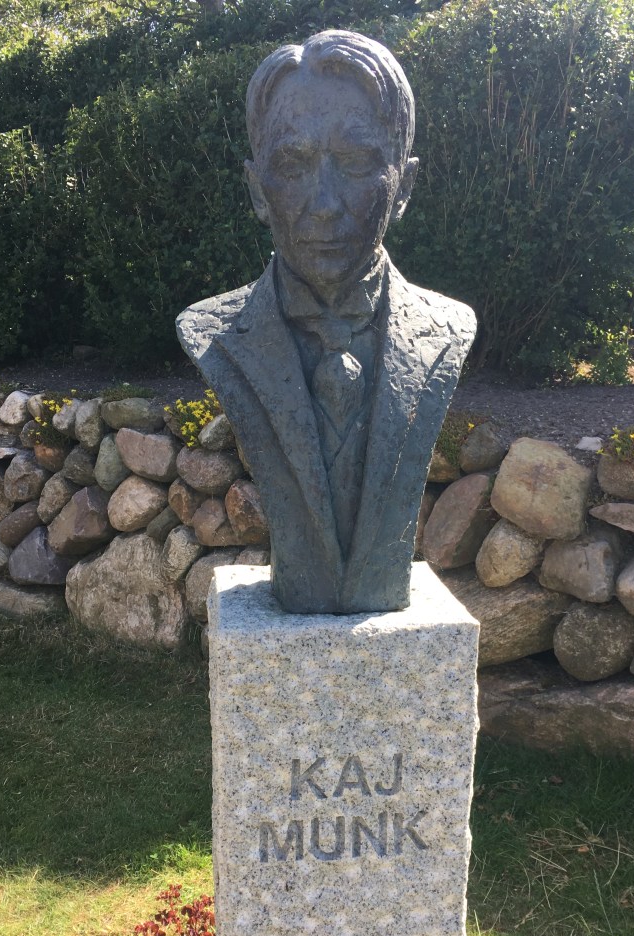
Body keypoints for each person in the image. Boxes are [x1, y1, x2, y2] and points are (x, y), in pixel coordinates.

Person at [176, 29, 475, 614]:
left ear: (404, 185)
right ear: (259, 190)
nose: (324, 201)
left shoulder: (448, 328)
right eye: (293, 163)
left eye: (357, 162)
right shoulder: (210, 333)